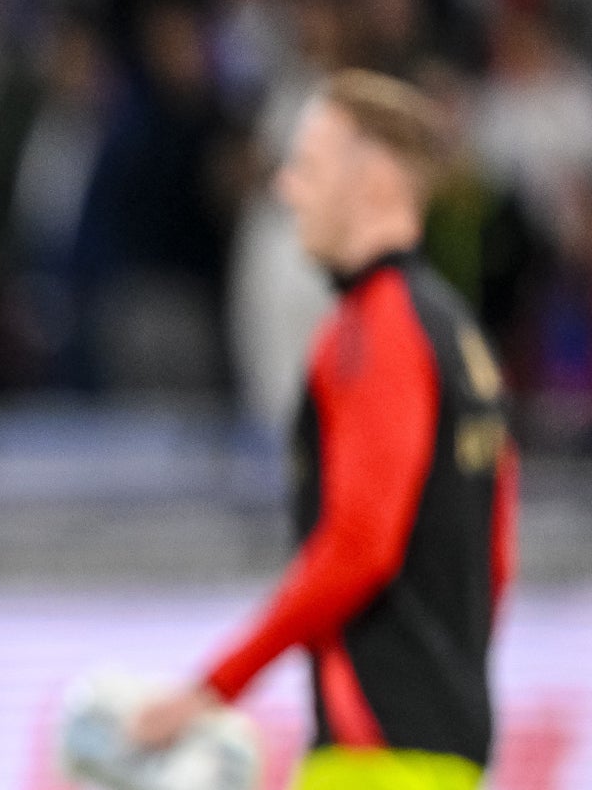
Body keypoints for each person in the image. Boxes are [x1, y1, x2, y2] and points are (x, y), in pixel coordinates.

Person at [132, 70, 520, 790]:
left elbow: (359, 547)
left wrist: (211, 688)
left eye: (306, 166)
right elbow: (497, 546)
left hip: (375, 753)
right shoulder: (457, 334)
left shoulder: (372, 331)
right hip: (442, 745)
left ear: (373, 181)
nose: (287, 190)